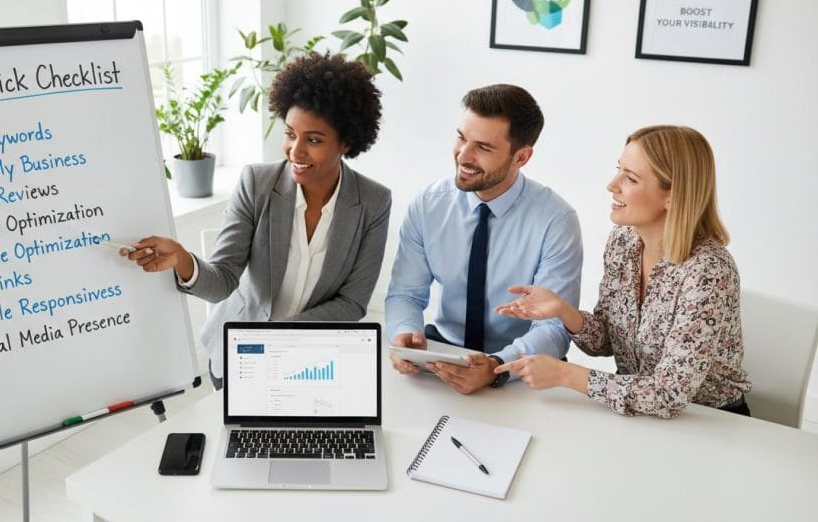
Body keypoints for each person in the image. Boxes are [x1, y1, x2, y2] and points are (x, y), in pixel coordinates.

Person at [123, 52, 391, 389]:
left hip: (311, 359)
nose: (296, 150)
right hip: (240, 358)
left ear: (346, 143)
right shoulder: (257, 183)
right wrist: (181, 259)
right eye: (290, 133)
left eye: (314, 140)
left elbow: (352, 304)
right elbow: (222, 281)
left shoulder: (373, 202)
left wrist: (280, 338)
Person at [493, 125, 751, 418]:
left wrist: (567, 375)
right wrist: (564, 311)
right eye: (619, 170)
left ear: (672, 195)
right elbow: (607, 341)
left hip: (710, 422)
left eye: (630, 178)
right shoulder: (624, 242)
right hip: (638, 415)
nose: (612, 184)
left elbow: (668, 394)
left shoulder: (709, 272)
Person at [386, 84, 582, 394]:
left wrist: (496, 367)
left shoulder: (556, 221)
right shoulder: (429, 204)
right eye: (461, 138)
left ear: (521, 157)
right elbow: (405, 294)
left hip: (520, 366)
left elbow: (554, 328)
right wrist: (404, 333)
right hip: (441, 353)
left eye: (483, 147)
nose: (463, 156)